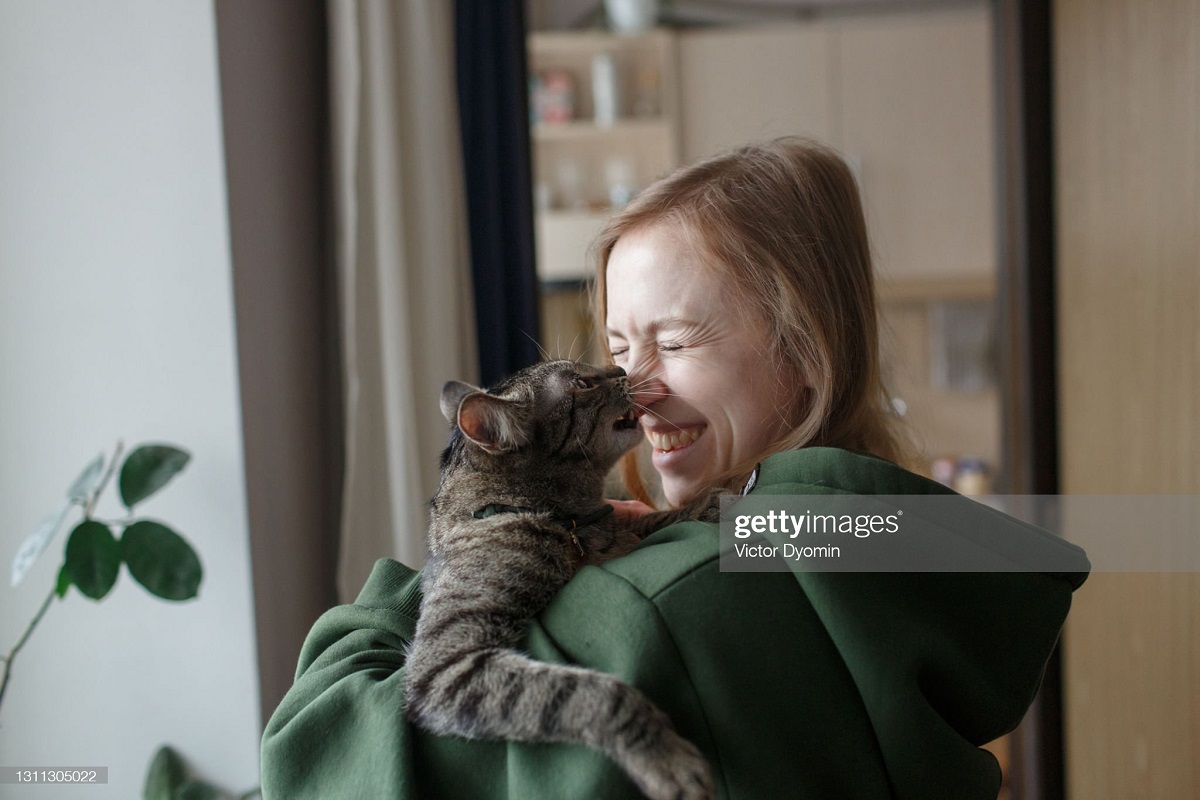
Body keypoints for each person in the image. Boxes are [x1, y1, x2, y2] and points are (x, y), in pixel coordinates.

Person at [260, 138, 1089, 799]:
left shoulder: (666, 603)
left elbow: (314, 759)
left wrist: (408, 591)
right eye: (620, 349)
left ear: (803, 352)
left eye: (677, 343)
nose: (638, 392)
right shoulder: (862, 544)